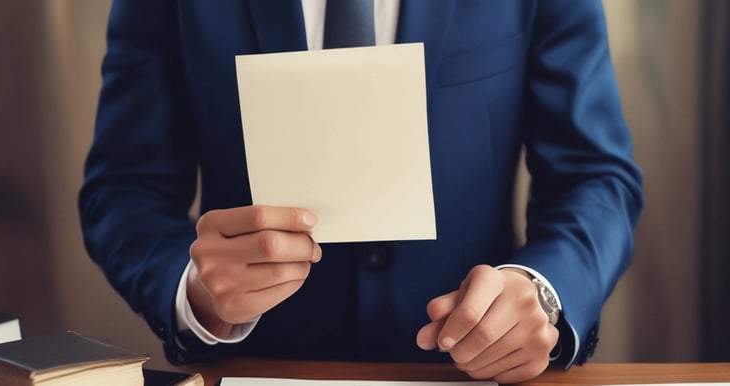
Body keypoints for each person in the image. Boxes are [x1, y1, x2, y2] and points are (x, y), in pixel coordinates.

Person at [79, 0, 643, 383]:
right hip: (258, 371)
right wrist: (194, 291)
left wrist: (544, 290)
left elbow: (593, 175)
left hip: (468, 373)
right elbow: (124, 189)